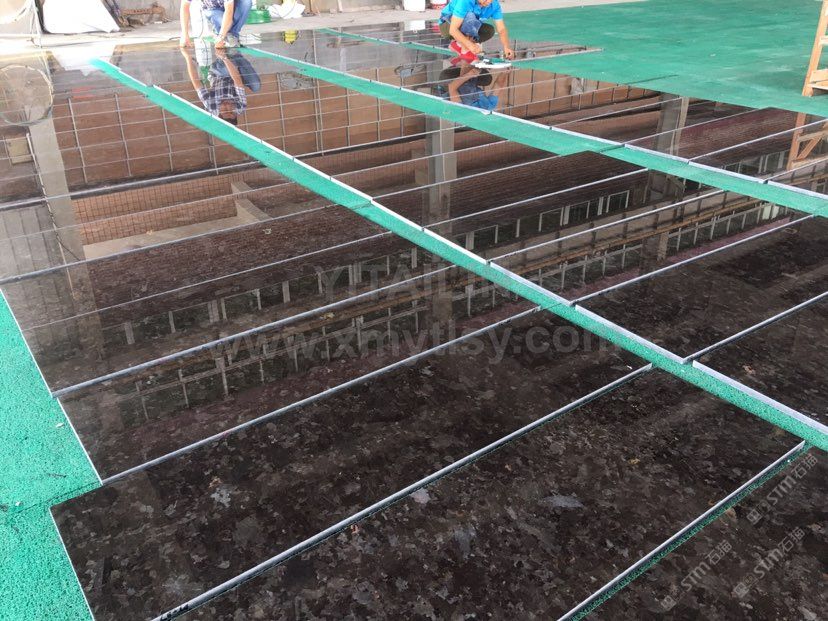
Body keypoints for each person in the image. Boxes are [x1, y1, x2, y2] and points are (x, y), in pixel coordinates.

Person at [179, 46, 261, 125]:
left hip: (219, 75)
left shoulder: (210, 105)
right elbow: (237, 80)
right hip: (235, 78)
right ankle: (234, 54)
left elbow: (196, 82)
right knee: (256, 86)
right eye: (231, 111)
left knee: (227, 68)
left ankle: (225, 52)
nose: (227, 106)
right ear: (235, 114)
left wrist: (187, 57)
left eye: (225, 111)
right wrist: (224, 58)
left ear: (218, 113)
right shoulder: (240, 107)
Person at [439, 0, 514, 62]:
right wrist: (470, 45)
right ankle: (465, 51)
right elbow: (453, 30)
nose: (488, 1)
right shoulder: (465, 1)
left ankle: (458, 45)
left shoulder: (494, 4)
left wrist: (506, 46)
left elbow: (501, 29)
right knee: (470, 16)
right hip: (447, 27)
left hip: (467, 25)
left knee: (489, 30)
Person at [179, 0, 252, 49]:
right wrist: (185, 34)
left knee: (246, 2)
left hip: (232, 5)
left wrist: (221, 36)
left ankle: (232, 34)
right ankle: (224, 31)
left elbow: (229, 11)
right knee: (222, 22)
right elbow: (184, 7)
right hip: (213, 10)